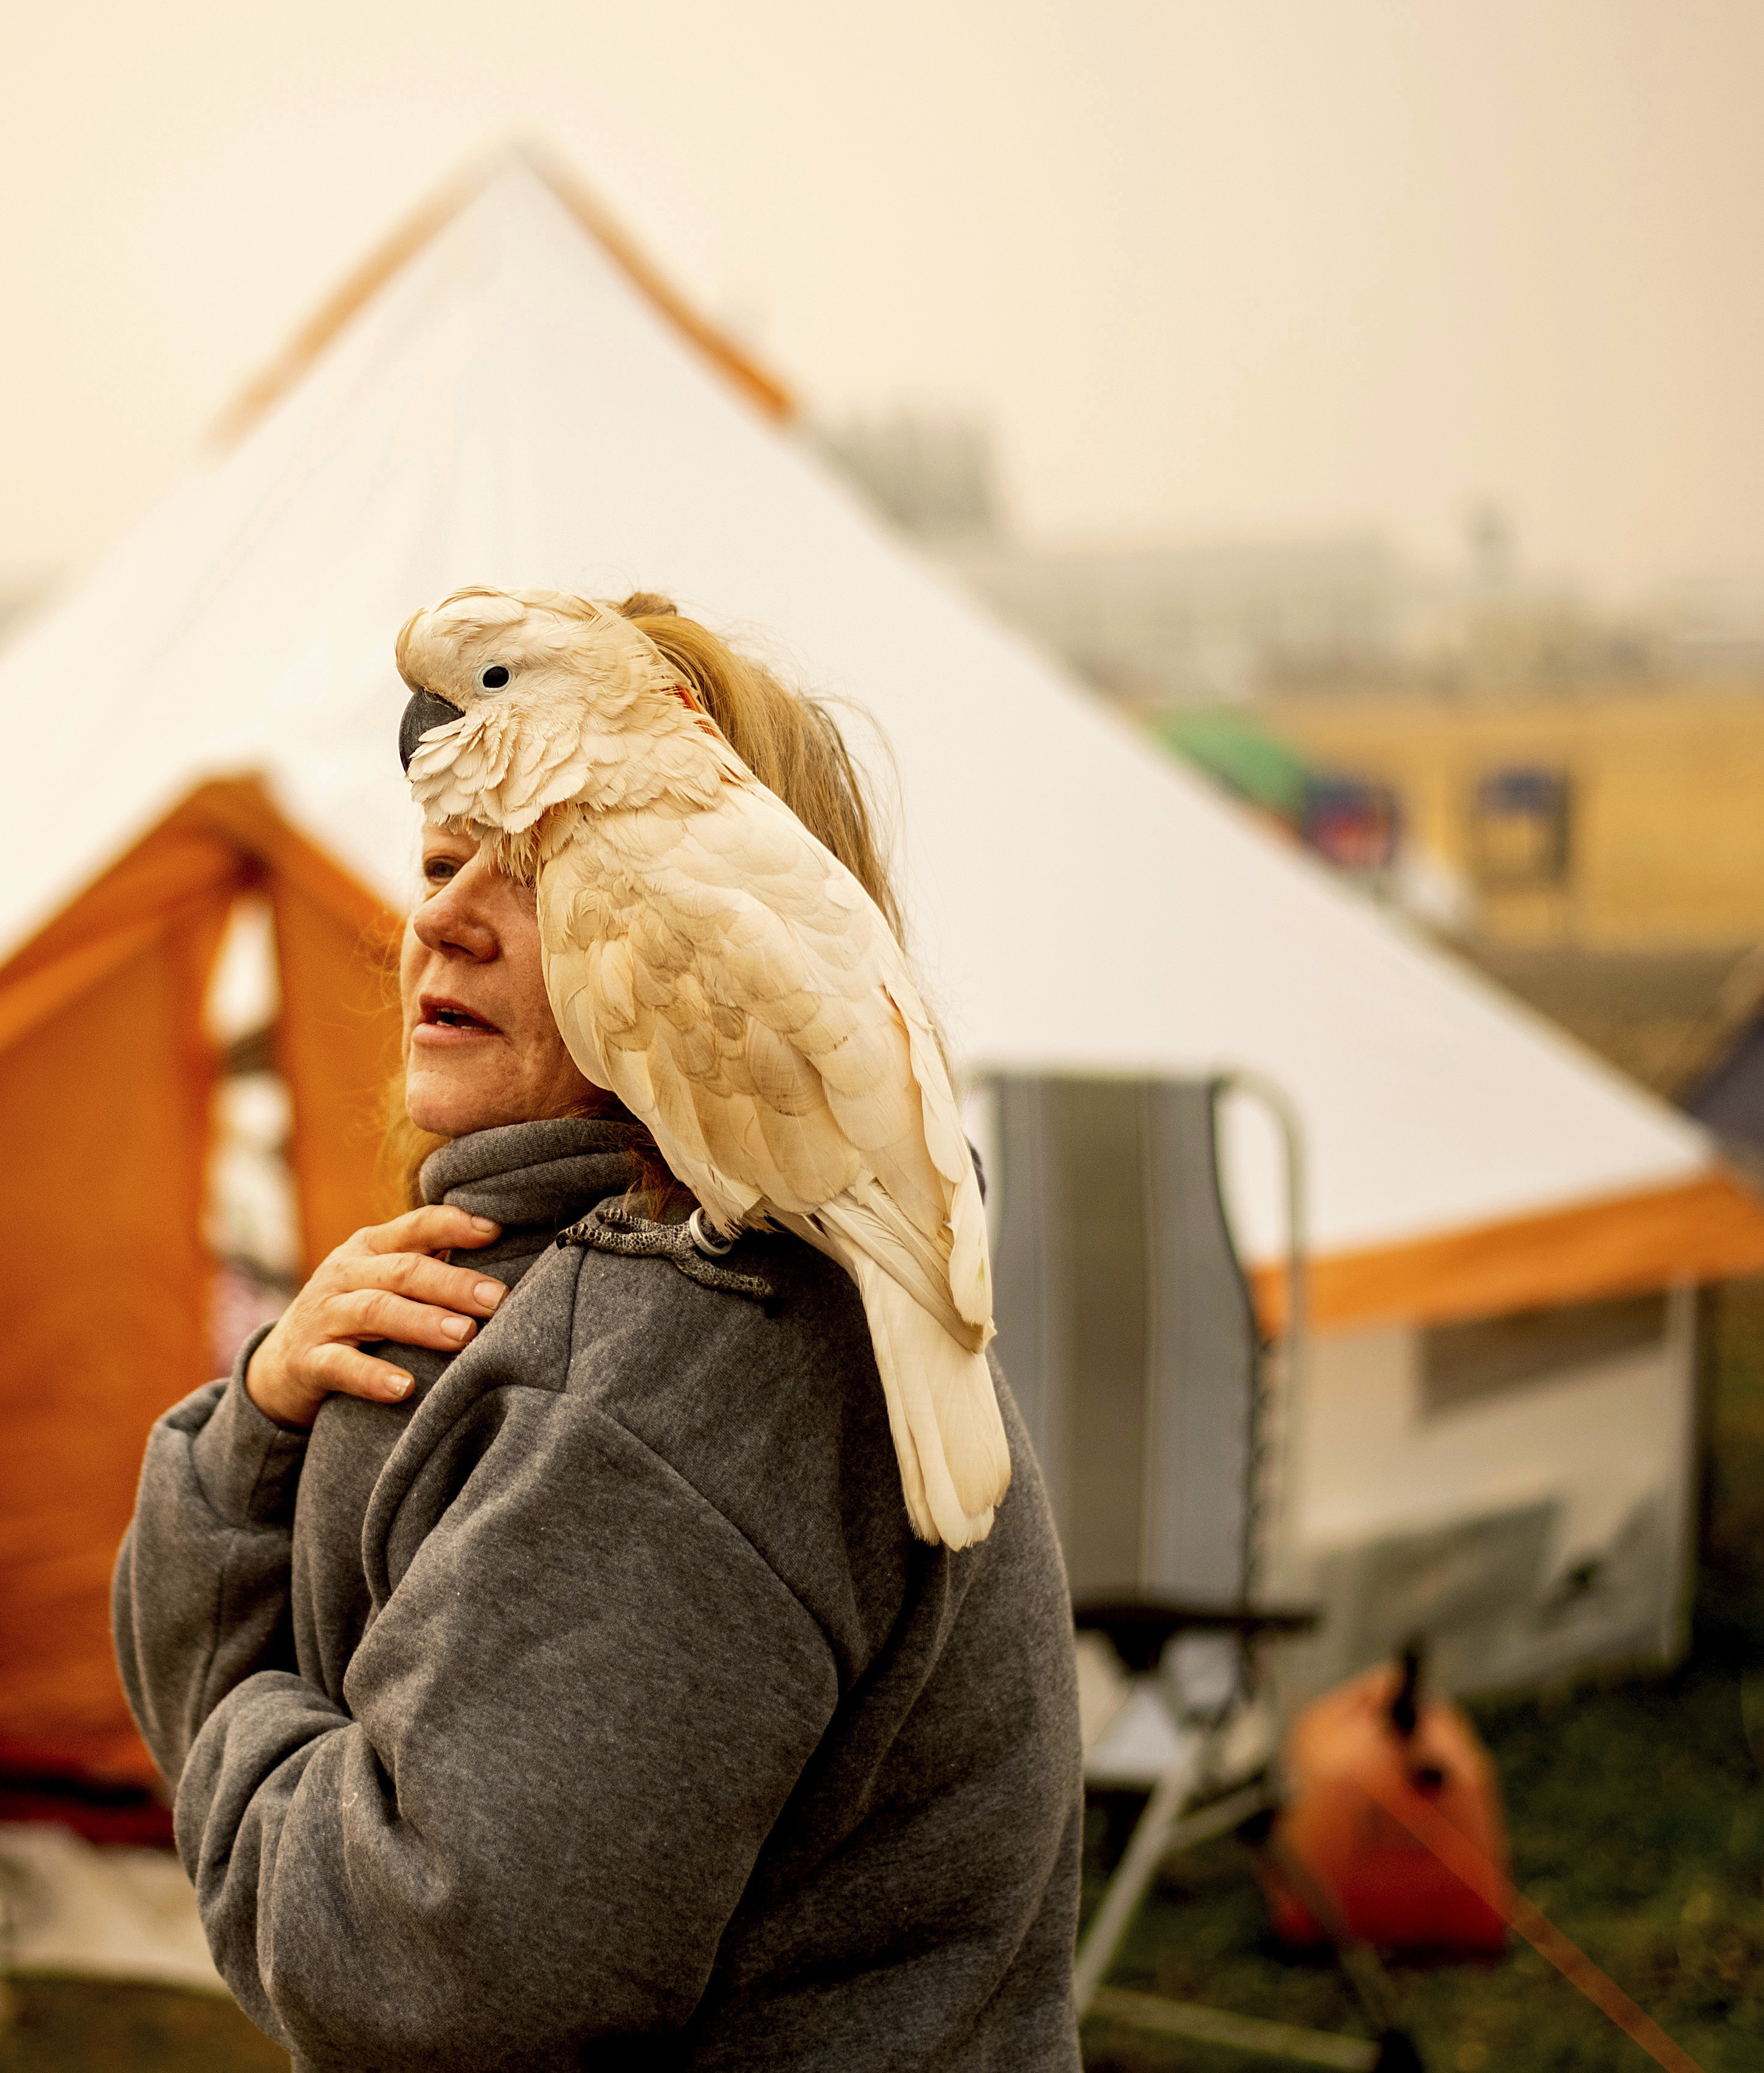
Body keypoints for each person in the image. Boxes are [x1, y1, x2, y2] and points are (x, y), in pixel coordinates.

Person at [112, 594, 1080, 2070]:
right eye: (439, 865)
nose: (440, 918)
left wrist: (236, 1701)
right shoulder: (551, 1293)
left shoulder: (672, 1374)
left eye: (538, 872)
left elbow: (415, 1975)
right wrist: (260, 1427)